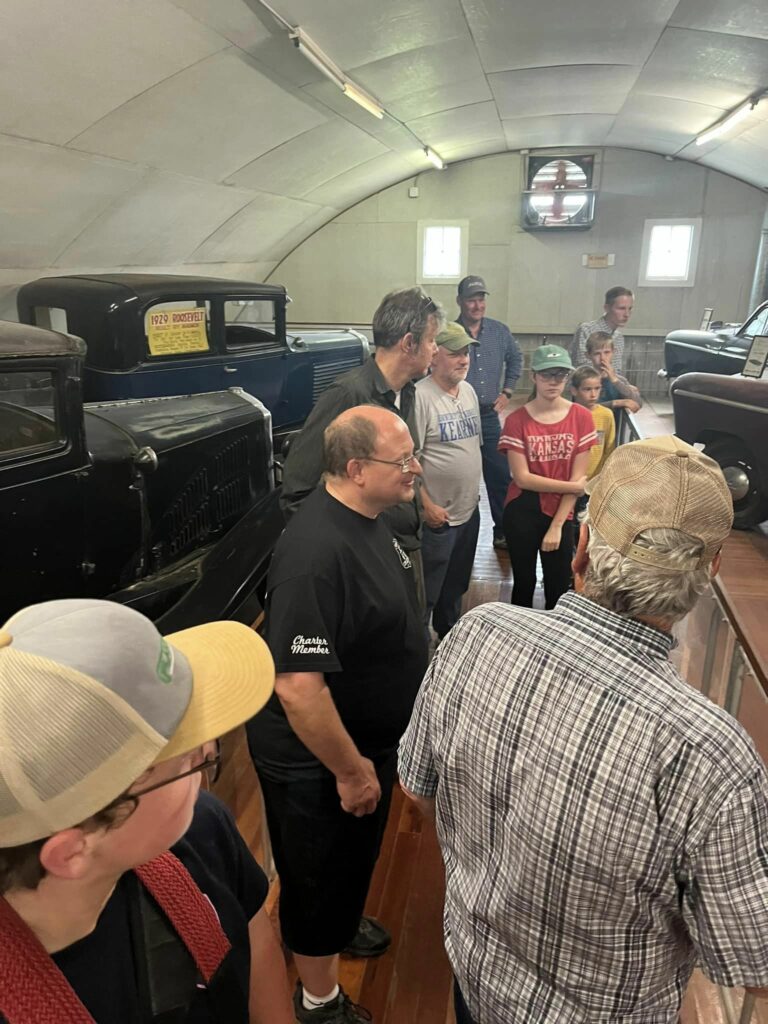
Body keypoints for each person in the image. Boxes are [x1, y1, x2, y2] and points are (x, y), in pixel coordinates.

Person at [399, 436, 768, 1024]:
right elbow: (753, 965)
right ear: (710, 572)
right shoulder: (709, 754)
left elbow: (417, 789)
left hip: (476, 980)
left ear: (584, 548)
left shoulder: (476, 636)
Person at [0, 598, 294, 1024]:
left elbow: (255, 951)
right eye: (189, 760)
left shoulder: (202, 834)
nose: (210, 748)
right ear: (71, 852)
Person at [247, 406, 429, 1024]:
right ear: (355, 469)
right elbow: (299, 689)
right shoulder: (313, 554)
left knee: (352, 857)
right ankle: (319, 997)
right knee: (316, 872)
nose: (415, 468)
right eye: (401, 460)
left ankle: (341, 922)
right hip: (318, 759)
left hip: (364, 743)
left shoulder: (374, 516)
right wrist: (351, 772)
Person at [280, 287, 443, 605]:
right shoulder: (347, 396)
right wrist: (352, 555)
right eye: (432, 340)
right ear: (409, 343)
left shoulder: (406, 392)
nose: (436, 349)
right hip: (368, 564)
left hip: (404, 547)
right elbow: (296, 493)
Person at [498, 344, 594, 609]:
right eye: (546, 375)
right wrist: (573, 486)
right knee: (524, 583)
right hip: (523, 508)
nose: (553, 381)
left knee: (559, 586)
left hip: (562, 511)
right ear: (534, 377)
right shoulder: (517, 420)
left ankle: (554, 645)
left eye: (560, 375)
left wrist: (556, 526)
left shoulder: (582, 418)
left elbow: (579, 476)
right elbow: (522, 478)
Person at [415, 321, 482, 640]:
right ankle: (417, 650)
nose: (464, 359)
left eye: (466, 352)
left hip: (469, 512)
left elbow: (471, 448)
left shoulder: (468, 391)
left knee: (456, 585)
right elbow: (407, 459)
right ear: (434, 355)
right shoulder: (420, 397)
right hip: (438, 518)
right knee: (426, 589)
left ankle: (447, 637)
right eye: (455, 352)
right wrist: (426, 505)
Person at [455, 275, 522, 551]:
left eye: (481, 299)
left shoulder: (499, 332)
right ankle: (459, 531)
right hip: (458, 416)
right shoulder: (449, 333)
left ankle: (503, 530)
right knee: (460, 473)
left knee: (499, 475)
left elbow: (516, 358)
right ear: (460, 301)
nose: (477, 305)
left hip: (488, 416)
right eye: (471, 299)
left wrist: (507, 391)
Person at [569, 363, 616, 479]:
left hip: (595, 479)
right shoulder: (566, 414)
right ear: (574, 390)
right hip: (570, 478)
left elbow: (609, 448)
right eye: (587, 389)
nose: (593, 395)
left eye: (597, 388)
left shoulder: (606, 415)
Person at [572, 284, 634, 370]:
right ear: (607, 308)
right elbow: (583, 368)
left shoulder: (619, 338)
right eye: (621, 308)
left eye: (630, 308)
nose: (627, 314)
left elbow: (616, 370)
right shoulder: (586, 329)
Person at [586, 330, 642, 414]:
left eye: (607, 352)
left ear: (613, 352)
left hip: (615, 426)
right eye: (597, 354)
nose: (602, 358)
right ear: (588, 355)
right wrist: (616, 403)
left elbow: (637, 404)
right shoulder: (584, 380)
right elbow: (583, 407)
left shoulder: (619, 380)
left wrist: (616, 382)